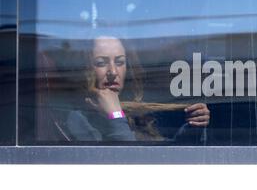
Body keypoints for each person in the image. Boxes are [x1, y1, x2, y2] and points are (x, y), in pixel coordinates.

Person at [67, 36, 210, 142]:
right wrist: (115, 117)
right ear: (86, 69)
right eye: (101, 63)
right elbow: (129, 163)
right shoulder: (78, 118)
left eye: (120, 62)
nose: (113, 72)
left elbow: (158, 159)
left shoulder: (135, 112)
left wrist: (192, 128)